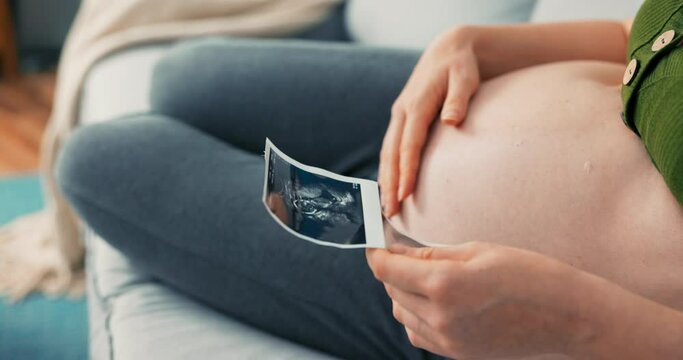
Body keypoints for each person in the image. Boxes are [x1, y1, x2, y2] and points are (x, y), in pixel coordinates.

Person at [57, 0, 683, 358]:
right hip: (451, 104)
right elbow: (638, 38)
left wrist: (574, 323)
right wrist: (479, 43)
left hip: (469, 291)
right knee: (185, 75)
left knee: (100, 160)